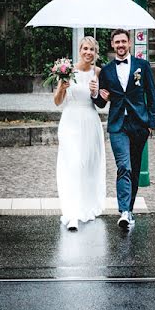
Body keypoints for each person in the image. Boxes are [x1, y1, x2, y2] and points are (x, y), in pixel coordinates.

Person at [93, 29, 155, 229]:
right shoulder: (106, 71)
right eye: (116, 42)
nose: (120, 45)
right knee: (124, 167)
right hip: (118, 125)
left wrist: (151, 124)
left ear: (129, 43)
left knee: (135, 169)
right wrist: (97, 95)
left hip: (139, 124)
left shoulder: (142, 66)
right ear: (112, 45)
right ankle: (124, 211)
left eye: (123, 41)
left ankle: (129, 209)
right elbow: (101, 103)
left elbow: (151, 95)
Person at [54, 36, 106, 231]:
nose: (88, 52)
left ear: (96, 53)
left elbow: (101, 103)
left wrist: (96, 93)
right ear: (79, 50)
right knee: (73, 165)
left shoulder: (98, 72)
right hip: (70, 123)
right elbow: (57, 101)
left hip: (90, 122)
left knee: (87, 166)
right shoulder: (67, 71)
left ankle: (86, 206)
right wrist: (62, 87)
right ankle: (72, 213)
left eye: (92, 49)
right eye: (85, 48)